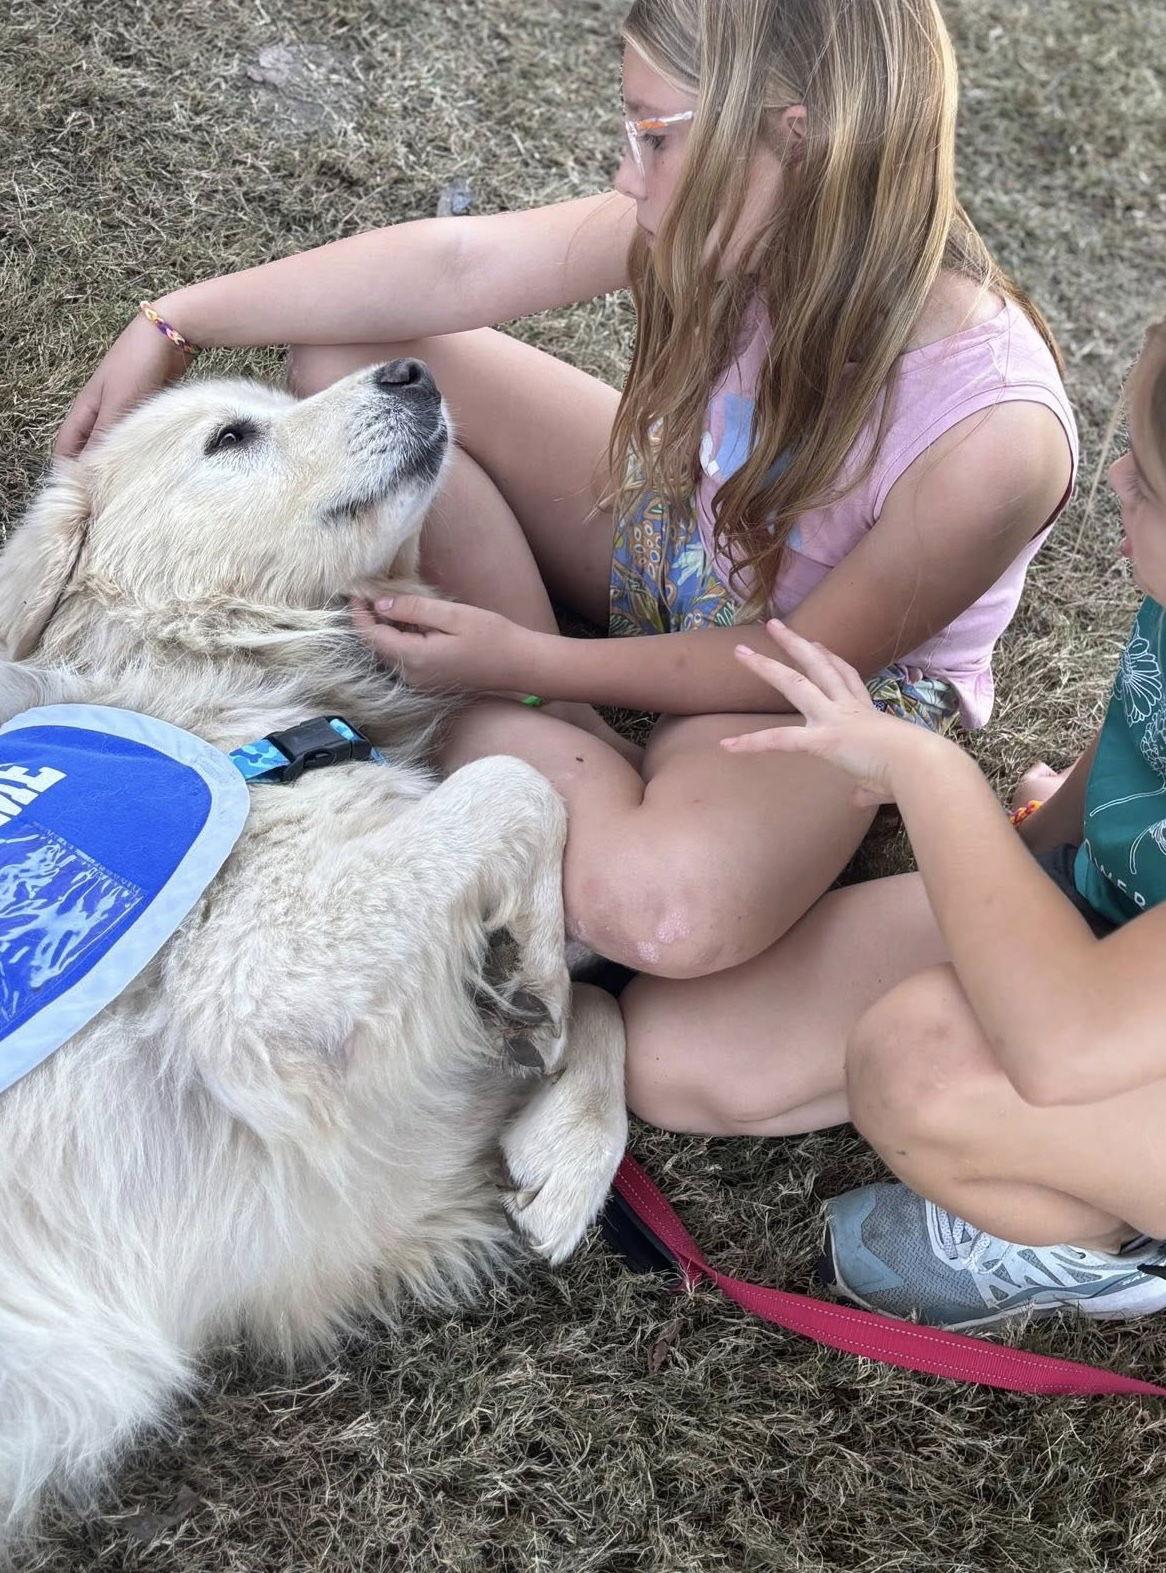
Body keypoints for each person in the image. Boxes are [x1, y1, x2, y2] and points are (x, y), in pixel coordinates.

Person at [58, 0, 1075, 997]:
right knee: (347, 365)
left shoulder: (991, 442)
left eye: (654, 138)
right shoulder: (740, 220)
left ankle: (500, 699)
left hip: (809, 675)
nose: (624, 177)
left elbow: (793, 662)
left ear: (794, 141)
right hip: (678, 536)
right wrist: (172, 319)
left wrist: (524, 660)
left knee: (664, 907)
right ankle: (555, 722)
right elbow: (455, 266)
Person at [641, 321, 1166, 1331]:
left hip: (1103, 1017)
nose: (1110, 482)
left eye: (1145, 478)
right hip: (1115, 964)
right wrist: (1029, 852)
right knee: (675, 1059)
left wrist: (924, 771)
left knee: (915, 1064)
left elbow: (1064, 1044)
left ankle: (1104, 1242)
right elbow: (1131, 740)